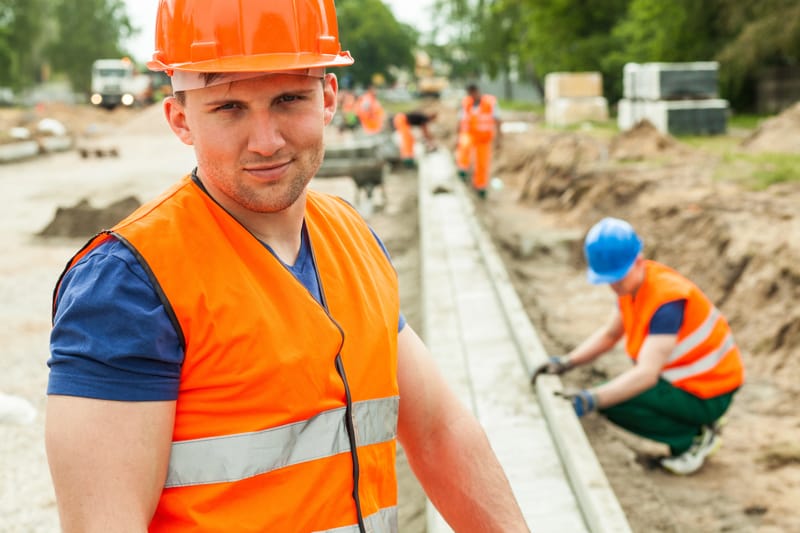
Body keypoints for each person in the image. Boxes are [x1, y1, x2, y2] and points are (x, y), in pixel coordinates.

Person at [44, 1, 530, 532]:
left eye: (287, 99)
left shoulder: (351, 238)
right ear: (181, 119)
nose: (266, 141)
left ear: (327, 99)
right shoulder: (128, 285)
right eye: (229, 108)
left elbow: (441, 434)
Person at [534, 217, 744, 475]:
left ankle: (691, 439)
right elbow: (610, 334)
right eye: (609, 280)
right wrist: (566, 362)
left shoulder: (666, 302)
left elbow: (646, 375)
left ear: (638, 260)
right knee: (613, 392)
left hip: (710, 390)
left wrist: (590, 400)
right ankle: (697, 420)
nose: (613, 286)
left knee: (613, 401)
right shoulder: (634, 288)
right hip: (692, 381)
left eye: (618, 278)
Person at [455, 84, 502, 199]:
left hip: (484, 138)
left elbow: (498, 119)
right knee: (464, 146)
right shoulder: (466, 103)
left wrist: (499, 137)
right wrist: (457, 132)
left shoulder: (490, 102)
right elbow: (461, 119)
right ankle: (463, 168)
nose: (472, 95)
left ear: (477, 91)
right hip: (470, 134)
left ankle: (480, 186)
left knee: (482, 163)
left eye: (473, 93)